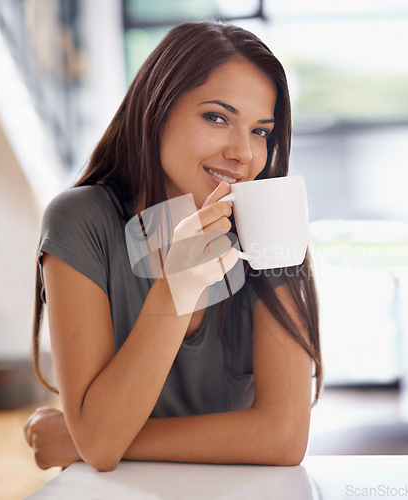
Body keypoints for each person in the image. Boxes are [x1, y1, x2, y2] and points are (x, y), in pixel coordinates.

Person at [24, 20, 322, 472]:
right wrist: (177, 288)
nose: (243, 154)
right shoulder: (82, 221)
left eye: (260, 131)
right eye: (217, 118)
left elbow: (283, 439)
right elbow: (101, 445)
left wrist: (83, 437)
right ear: (156, 110)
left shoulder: (266, 221)